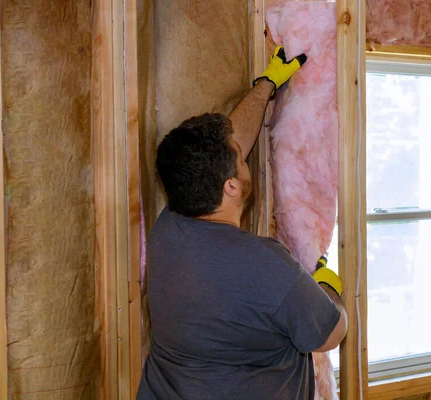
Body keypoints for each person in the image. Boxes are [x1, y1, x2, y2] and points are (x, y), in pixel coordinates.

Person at [136, 47, 348, 400]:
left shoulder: (169, 228)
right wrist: (326, 290)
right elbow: (330, 334)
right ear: (231, 186)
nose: (242, 151)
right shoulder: (266, 264)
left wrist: (266, 85)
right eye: (239, 156)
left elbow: (225, 147)